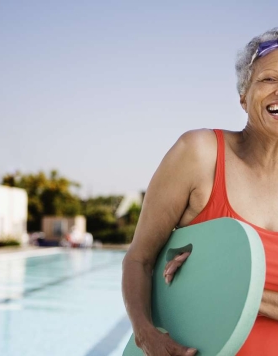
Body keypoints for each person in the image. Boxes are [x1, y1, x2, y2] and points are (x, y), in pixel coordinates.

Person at [122, 27, 278, 356]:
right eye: (269, 79)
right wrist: (146, 335)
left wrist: (215, 277)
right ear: (243, 96)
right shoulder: (199, 154)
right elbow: (139, 259)